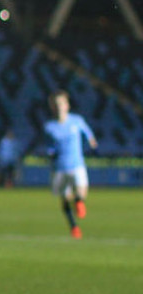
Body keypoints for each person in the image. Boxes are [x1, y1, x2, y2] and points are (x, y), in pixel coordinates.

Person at [44, 90, 97, 239]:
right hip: (60, 168)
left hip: (77, 165)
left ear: (67, 105)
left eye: (61, 103)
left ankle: (79, 201)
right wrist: (50, 154)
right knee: (65, 199)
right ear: (52, 107)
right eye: (56, 104)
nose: (59, 106)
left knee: (82, 192)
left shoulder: (77, 121)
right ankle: (74, 227)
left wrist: (92, 141)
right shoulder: (49, 127)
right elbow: (49, 147)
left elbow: (88, 133)